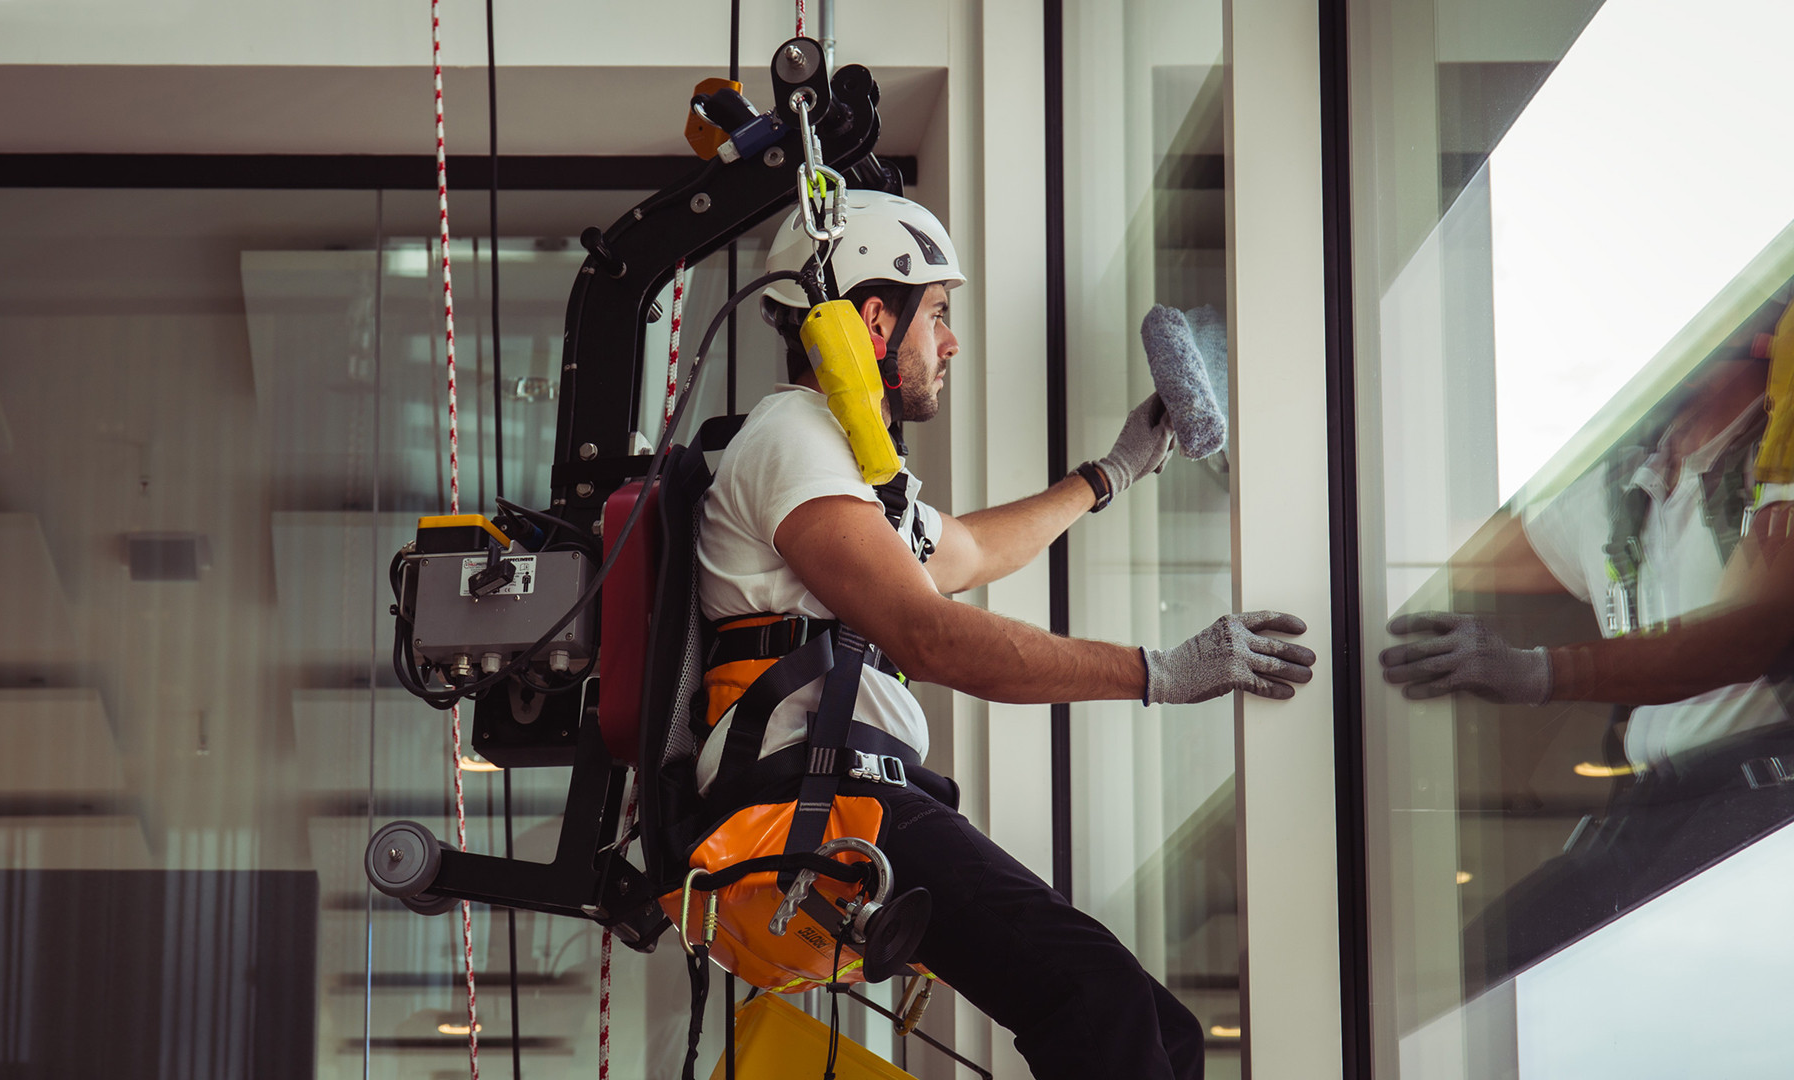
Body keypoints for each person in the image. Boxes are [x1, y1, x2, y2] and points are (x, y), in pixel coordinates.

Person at [691, 191, 1317, 1080]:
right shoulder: (793, 438)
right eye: (938, 313)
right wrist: (1160, 672)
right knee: (1100, 1009)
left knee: (1157, 1032)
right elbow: (930, 637)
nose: (949, 341)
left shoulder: (842, 461)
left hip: (861, 799)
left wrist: (1111, 473)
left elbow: (970, 549)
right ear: (875, 317)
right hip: (827, 806)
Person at [1380, 331, 1794, 985]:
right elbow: (1452, 550)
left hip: (1762, 808)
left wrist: (1540, 671)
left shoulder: (1777, 464)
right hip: (1660, 805)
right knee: (1483, 967)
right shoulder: (1623, 486)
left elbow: (1745, 636)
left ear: (1750, 336)